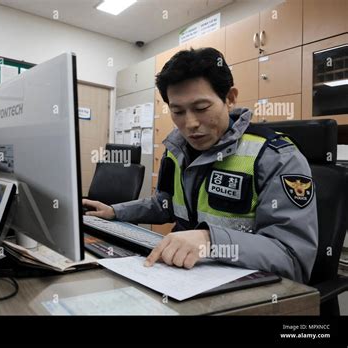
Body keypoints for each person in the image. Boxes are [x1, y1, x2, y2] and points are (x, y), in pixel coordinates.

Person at [83, 48, 318, 283]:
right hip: (183, 275)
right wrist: (116, 212)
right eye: (178, 111)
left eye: (201, 108)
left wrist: (210, 241)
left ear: (230, 98)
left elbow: (292, 257)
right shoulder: (177, 150)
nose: (190, 124)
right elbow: (165, 204)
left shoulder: (276, 157)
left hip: (244, 287)